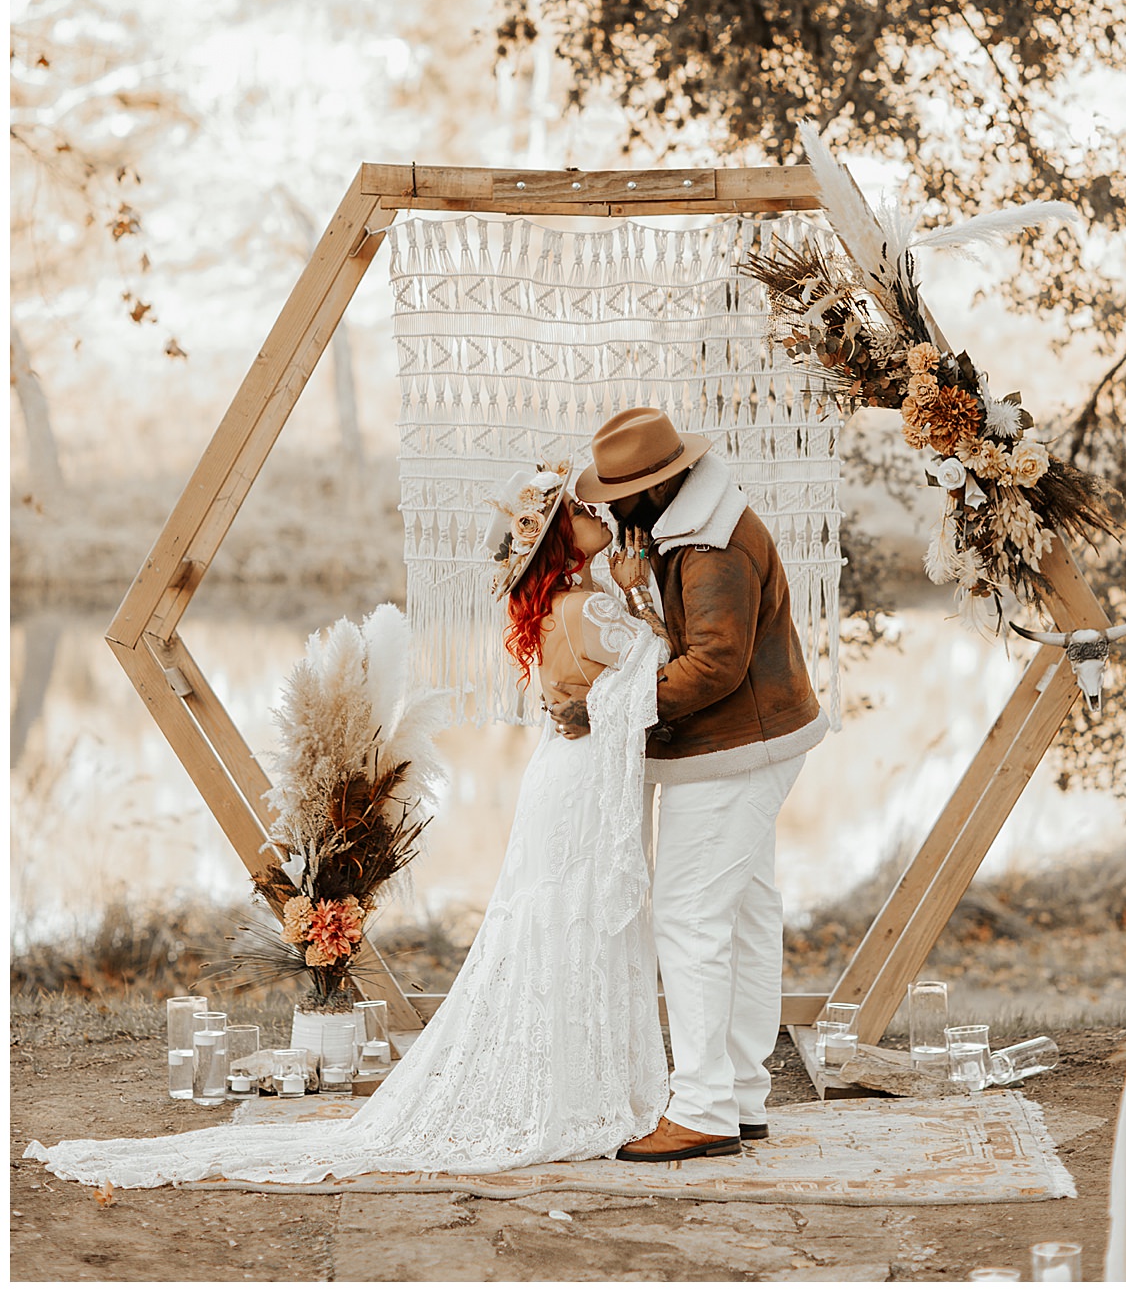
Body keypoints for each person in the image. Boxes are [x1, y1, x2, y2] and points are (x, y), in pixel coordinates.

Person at [26, 464, 673, 1187]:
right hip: (578, 778)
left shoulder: (563, 602)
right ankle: (572, 1086)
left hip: (562, 773)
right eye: (584, 508)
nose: (601, 512)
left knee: (560, 921)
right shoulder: (590, 607)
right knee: (572, 920)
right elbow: (663, 662)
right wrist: (640, 587)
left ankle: (568, 1075)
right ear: (562, 536)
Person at [560, 406, 829, 1164]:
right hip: (753, 740)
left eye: (622, 493)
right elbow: (689, 638)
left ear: (661, 485)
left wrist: (605, 708)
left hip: (737, 749)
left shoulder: (710, 547)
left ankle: (705, 1107)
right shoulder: (687, 528)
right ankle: (739, 1097)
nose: (609, 508)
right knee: (742, 915)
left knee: (686, 918)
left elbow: (713, 663)